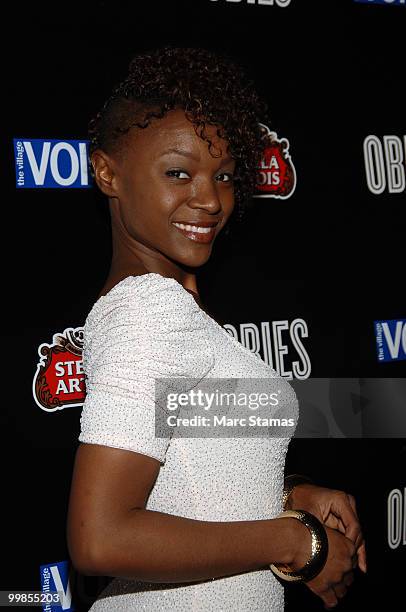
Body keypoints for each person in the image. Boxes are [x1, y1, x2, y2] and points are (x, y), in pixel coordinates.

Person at [67, 46, 367, 611]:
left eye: (224, 175)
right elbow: (99, 537)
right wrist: (294, 539)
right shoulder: (148, 314)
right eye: (178, 172)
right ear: (107, 173)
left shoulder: (173, 312)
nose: (209, 200)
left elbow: (189, 476)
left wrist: (287, 497)